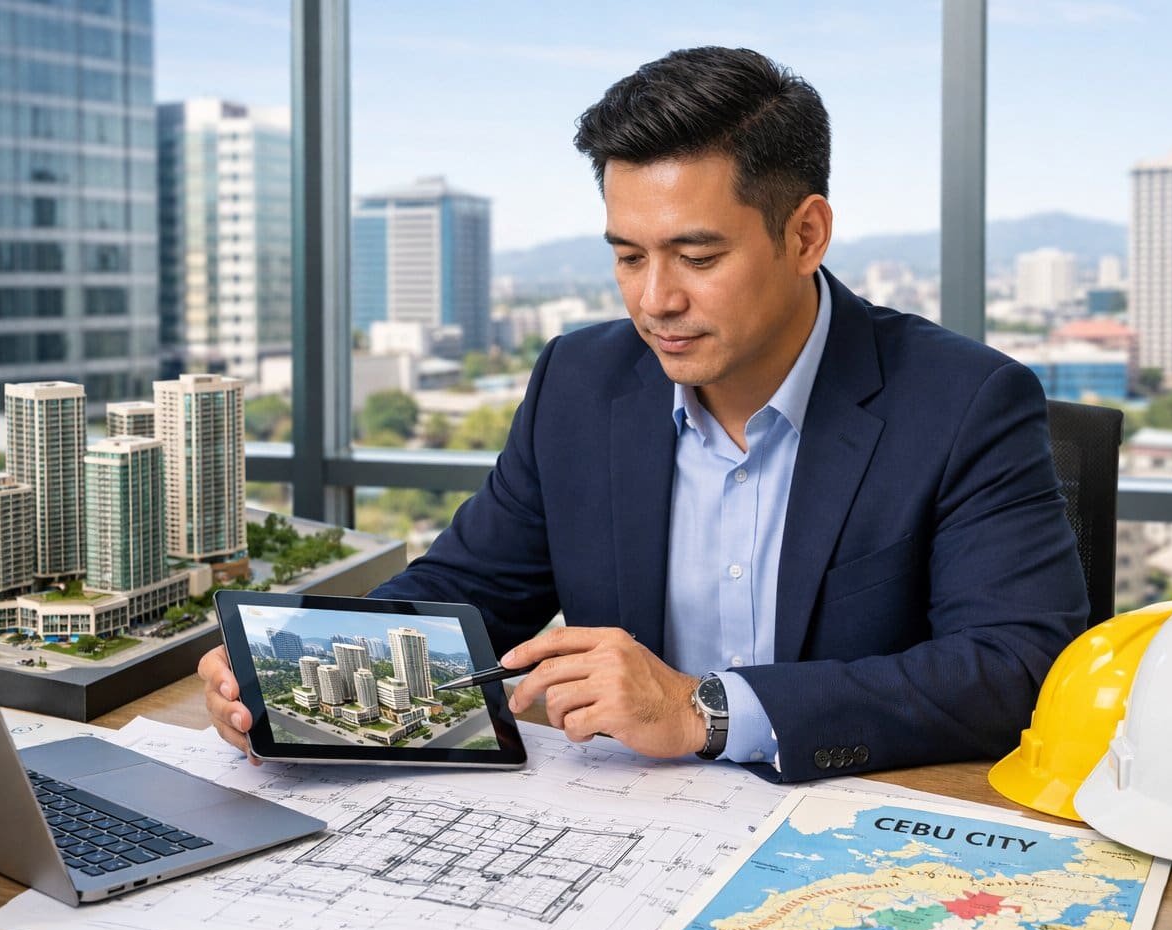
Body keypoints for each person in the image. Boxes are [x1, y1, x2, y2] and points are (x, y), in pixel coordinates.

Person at [201, 46, 1089, 782]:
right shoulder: (581, 381)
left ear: (806, 234)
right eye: (628, 256)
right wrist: (281, 663)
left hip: (849, 817)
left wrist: (701, 711)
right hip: (631, 828)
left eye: (697, 255)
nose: (654, 299)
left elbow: (1015, 665)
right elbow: (470, 592)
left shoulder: (966, 400)